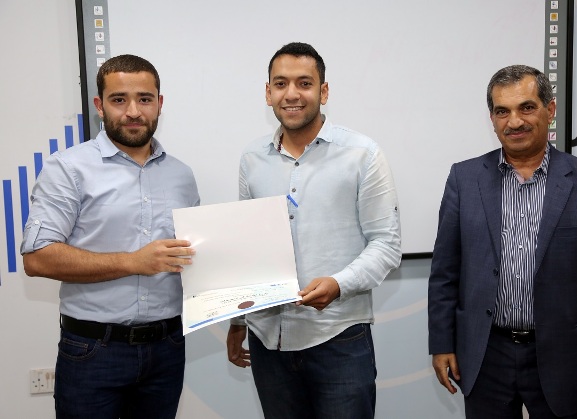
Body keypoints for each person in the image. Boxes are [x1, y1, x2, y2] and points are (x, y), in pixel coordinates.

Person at [428, 64, 577, 418]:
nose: (515, 122)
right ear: (492, 118)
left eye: (526, 107)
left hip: (565, 357)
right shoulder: (464, 178)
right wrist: (442, 343)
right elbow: (445, 272)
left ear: (549, 109)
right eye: (502, 111)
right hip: (485, 355)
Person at [225, 42, 401, 419]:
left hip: (339, 338)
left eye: (304, 83)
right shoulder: (252, 159)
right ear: (268, 92)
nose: (292, 94)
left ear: (323, 91)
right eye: (281, 83)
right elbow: (247, 245)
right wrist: (238, 320)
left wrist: (338, 284)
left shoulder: (363, 154)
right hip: (267, 339)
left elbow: (386, 244)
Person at [21, 54, 200, 419]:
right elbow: (37, 257)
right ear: (100, 106)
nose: (133, 111)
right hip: (93, 350)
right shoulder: (68, 168)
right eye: (119, 99)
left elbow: (194, 257)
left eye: (144, 99)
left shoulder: (182, 175)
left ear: (159, 104)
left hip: (167, 348)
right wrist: (133, 262)